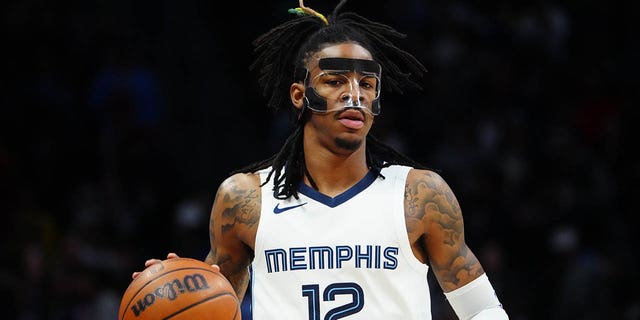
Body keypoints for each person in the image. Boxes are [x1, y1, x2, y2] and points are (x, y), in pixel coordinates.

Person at [134, 0, 509, 318]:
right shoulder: (245, 199)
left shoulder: (419, 194)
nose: (354, 95)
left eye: (366, 85)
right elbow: (213, 308)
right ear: (300, 94)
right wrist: (174, 287)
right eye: (335, 82)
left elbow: (481, 311)